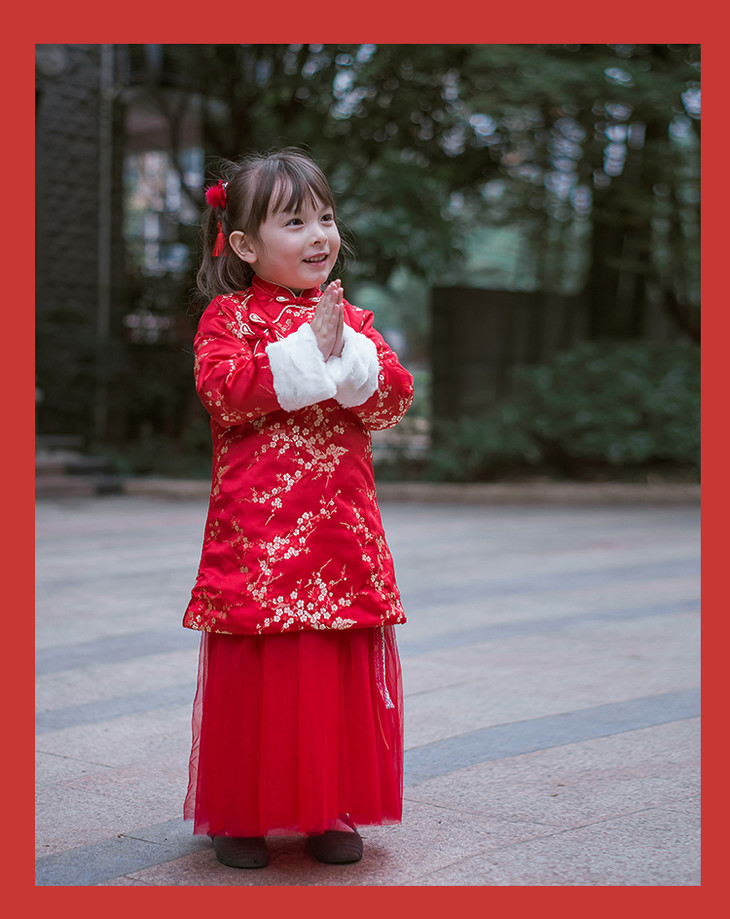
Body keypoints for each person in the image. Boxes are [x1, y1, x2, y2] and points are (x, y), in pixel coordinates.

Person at [182, 148, 414, 869]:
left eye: (326, 218)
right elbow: (223, 391)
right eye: (295, 221)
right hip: (259, 532)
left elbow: (392, 400)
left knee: (333, 665)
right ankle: (242, 812)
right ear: (245, 244)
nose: (319, 235)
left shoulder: (354, 319)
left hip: (340, 529)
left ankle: (329, 806)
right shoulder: (229, 318)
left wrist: (349, 357)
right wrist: (305, 351)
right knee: (261, 669)